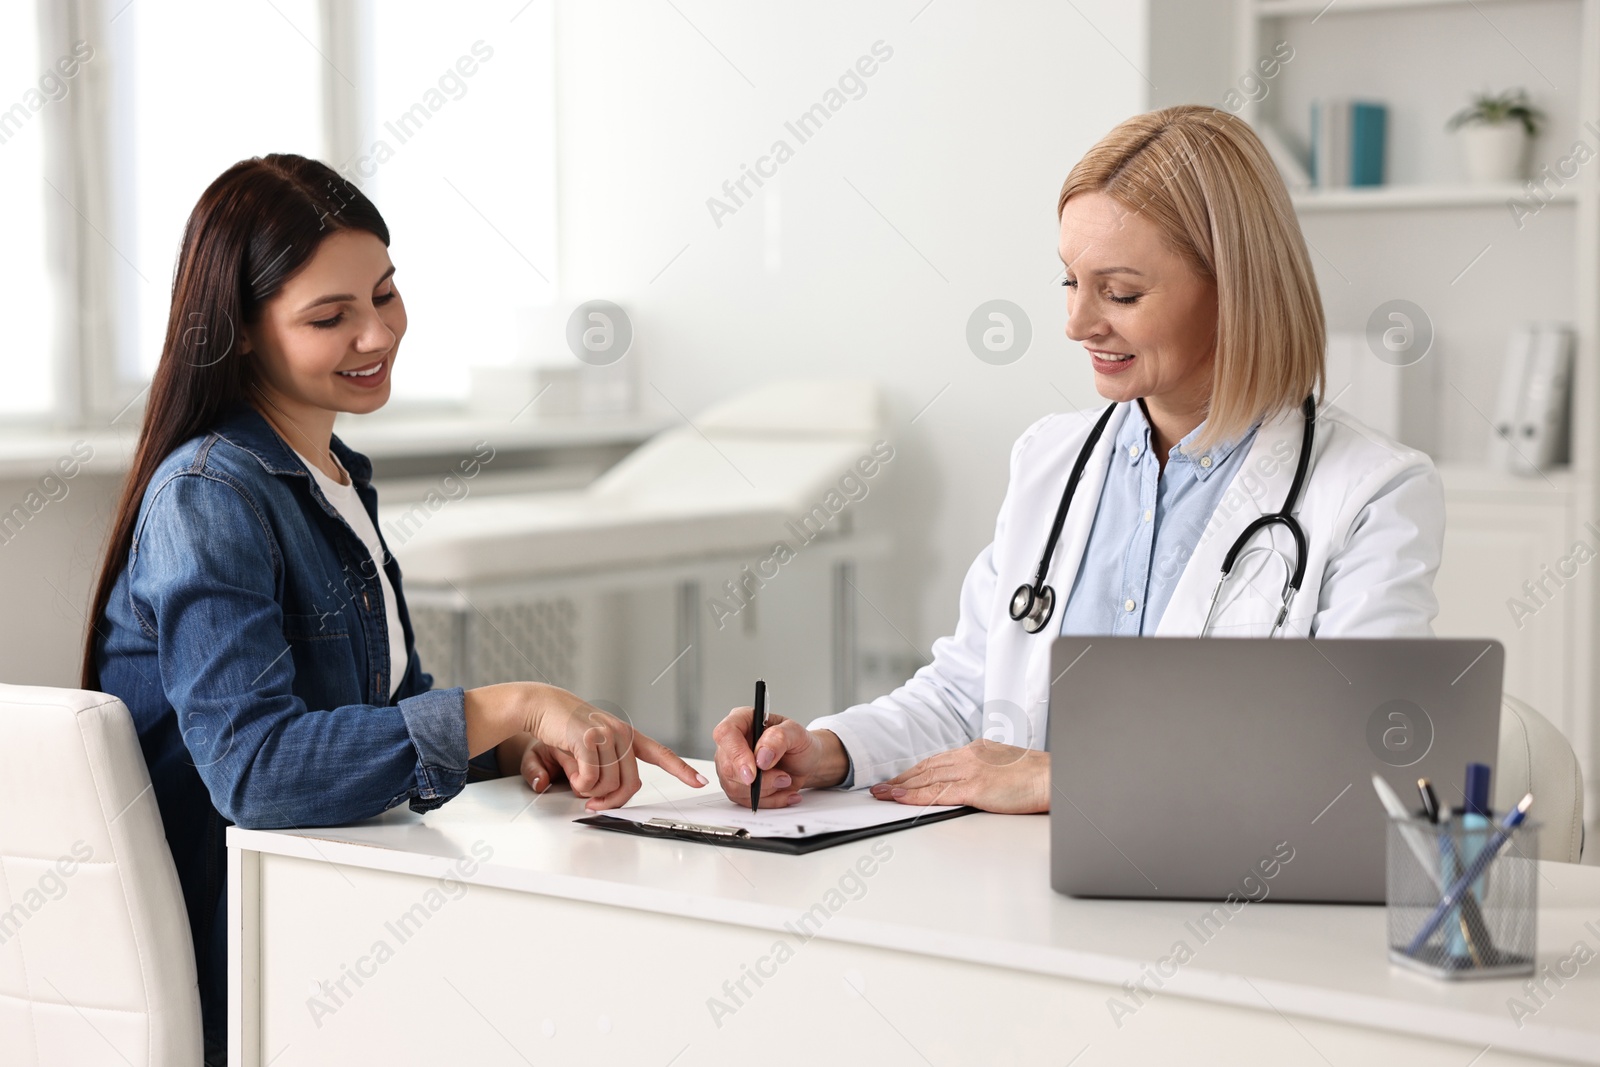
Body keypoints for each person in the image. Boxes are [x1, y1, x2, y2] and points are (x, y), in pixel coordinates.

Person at [83, 154, 706, 1063]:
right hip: (244, 952)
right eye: (330, 317)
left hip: (330, 913)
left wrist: (518, 745)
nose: (376, 334)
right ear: (244, 332)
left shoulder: (334, 479)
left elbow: (377, 713)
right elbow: (256, 772)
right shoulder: (209, 495)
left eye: (385, 295)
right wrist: (510, 701)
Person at [710, 104, 1444, 817]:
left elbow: (1357, 753)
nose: (1077, 323)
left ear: (1236, 291)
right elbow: (971, 693)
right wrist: (831, 749)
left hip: (1229, 909)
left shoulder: (1373, 492)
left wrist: (1070, 777)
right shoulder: (1050, 461)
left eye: (1120, 292)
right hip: (1021, 895)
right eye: (1070, 280)